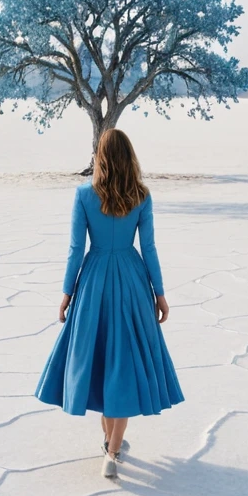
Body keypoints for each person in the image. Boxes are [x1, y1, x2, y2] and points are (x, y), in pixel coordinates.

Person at [35, 128, 184, 477]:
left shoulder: (84, 195)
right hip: (132, 280)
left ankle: (110, 449)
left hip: (94, 282)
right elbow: (149, 248)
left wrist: (67, 292)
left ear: (100, 157)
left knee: (102, 361)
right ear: (130, 157)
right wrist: (159, 293)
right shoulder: (142, 196)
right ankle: (112, 450)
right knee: (125, 363)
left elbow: (75, 249)